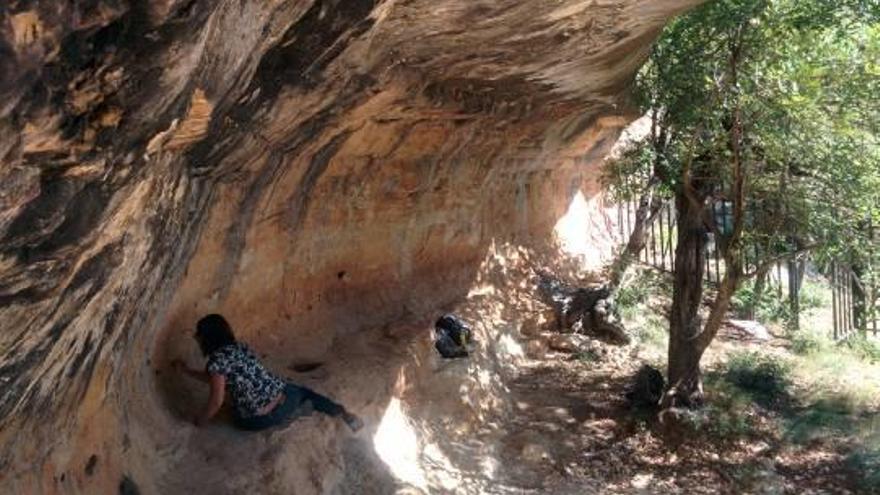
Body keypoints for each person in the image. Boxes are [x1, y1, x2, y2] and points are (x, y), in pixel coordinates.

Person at [173, 314, 363, 432]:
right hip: (286, 399)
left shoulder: (216, 362)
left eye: (198, 334)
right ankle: (342, 412)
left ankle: (289, 415)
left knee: (233, 408)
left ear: (207, 338)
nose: (196, 338)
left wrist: (199, 422)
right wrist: (186, 371)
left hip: (260, 420)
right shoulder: (240, 347)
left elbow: (216, 400)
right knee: (303, 392)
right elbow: (217, 380)